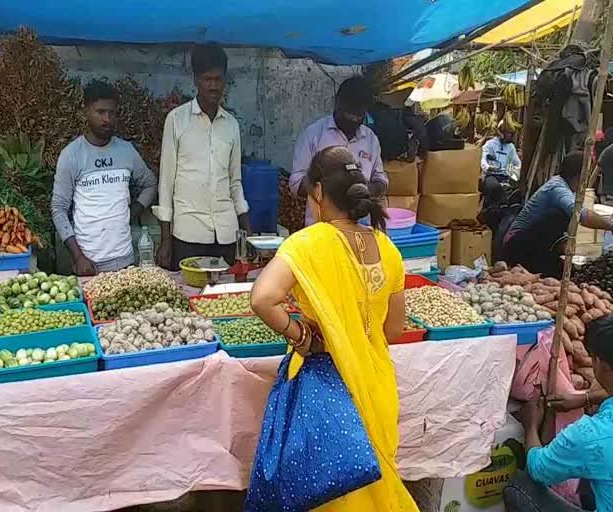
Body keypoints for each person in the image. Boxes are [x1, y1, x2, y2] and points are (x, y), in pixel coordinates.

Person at [248, 146, 418, 510]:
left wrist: (304, 337)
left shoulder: (307, 244)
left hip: (329, 390)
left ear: (320, 192)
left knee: (334, 494)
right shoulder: (388, 248)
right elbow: (393, 330)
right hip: (377, 387)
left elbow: (262, 298)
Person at [154, 43, 251, 270]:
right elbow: (166, 184)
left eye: (218, 79)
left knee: (223, 301)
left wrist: (246, 230)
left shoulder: (231, 125)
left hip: (226, 235)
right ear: (196, 80)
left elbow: (235, 182)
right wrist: (165, 240)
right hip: (188, 234)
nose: (213, 86)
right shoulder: (177, 120)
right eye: (207, 79)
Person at [504, 314, 613, 512]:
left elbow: (538, 468)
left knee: (520, 486)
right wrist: (584, 398)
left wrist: (531, 426)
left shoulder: (589, 436)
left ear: (600, 363)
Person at [52, 80, 157, 275]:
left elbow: (149, 183)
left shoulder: (126, 151)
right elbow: (58, 209)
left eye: (112, 113)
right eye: (100, 112)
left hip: (125, 262)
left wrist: (131, 213)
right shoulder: (72, 155)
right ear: (86, 111)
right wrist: (78, 257)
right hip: (88, 265)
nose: (107, 119)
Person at [290, 76, 388, 227]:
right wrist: (330, 193)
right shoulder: (314, 135)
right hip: (321, 229)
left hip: (361, 229)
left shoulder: (371, 139)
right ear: (337, 103)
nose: (354, 120)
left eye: (359, 116)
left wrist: (365, 190)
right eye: (349, 115)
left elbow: (381, 180)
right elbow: (296, 182)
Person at [503, 152, 613, 278]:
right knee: (560, 216)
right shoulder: (557, 189)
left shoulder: (560, 185)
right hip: (517, 245)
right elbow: (581, 215)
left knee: (560, 271)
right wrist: (610, 225)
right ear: (578, 176)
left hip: (534, 244)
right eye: (586, 176)